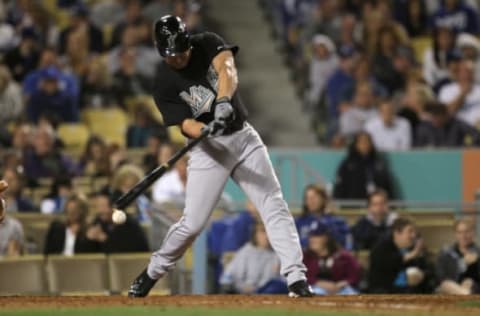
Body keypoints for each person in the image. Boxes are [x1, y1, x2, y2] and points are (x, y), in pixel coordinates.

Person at [128, 15, 313, 298]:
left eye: (180, 52)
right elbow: (185, 124)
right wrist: (205, 130)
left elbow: (227, 70)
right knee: (193, 223)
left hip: (243, 137)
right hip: (208, 150)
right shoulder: (163, 81)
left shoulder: (207, 43)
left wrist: (224, 102)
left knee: (273, 204)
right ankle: (153, 271)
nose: (177, 59)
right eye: (171, 55)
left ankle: (296, 278)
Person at [368, 217, 433, 294]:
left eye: (414, 232)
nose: (414, 235)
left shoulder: (414, 247)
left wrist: (421, 275)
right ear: (397, 233)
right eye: (410, 231)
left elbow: (427, 269)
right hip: (386, 293)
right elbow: (388, 267)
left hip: (413, 292)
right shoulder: (381, 248)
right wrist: (412, 255)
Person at [219, 223, 288, 294]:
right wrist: (243, 287)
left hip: (270, 291)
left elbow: (286, 281)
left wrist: (279, 275)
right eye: (263, 232)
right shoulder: (246, 251)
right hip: (247, 292)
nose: (267, 236)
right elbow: (227, 277)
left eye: (270, 232)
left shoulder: (278, 253)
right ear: (255, 234)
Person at [303, 221, 361, 295]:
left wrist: (344, 283)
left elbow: (355, 275)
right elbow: (301, 277)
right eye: (311, 236)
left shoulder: (343, 256)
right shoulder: (306, 257)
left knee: (351, 294)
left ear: (327, 238)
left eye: (316, 236)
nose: (312, 240)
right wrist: (318, 283)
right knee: (315, 293)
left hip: (340, 289)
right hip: (316, 288)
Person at [333, 131, 394, 200]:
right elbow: (339, 187)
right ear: (356, 144)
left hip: (374, 206)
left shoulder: (378, 163)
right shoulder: (348, 164)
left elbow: (387, 186)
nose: (365, 145)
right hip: (352, 206)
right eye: (361, 142)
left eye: (367, 142)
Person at [295, 184, 351, 249]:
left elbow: (345, 242)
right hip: (306, 257)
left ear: (323, 199)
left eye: (314, 198)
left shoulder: (337, 221)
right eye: (307, 198)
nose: (311, 201)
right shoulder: (299, 222)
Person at [436, 219, 480, 294]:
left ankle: (465, 295)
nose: (463, 236)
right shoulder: (446, 253)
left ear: (473, 233)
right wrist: (462, 264)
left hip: (471, 289)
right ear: (455, 234)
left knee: (470, 283)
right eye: (459, 232)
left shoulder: (478, 253)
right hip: (449, 286)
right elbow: (440, 277)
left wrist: (477, 261)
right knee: (446, 284)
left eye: (467, 232)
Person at [415, 101, 480, 147]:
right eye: (433, 115)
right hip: (432, 159)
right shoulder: (425, 127)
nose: (434, 118)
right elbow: (417, 146)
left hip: (455, 158)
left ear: (445, 115)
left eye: (437, 114)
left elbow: (476, 135)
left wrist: (467, 148)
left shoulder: (457, 124)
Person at [438, 59, 480, 127]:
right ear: (457, 73)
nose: (468, 74)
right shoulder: (447, 90)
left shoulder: (478, 89)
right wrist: (463, 94)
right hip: (458, 130)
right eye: (465, 71)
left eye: (470, 71)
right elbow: (447, 112)